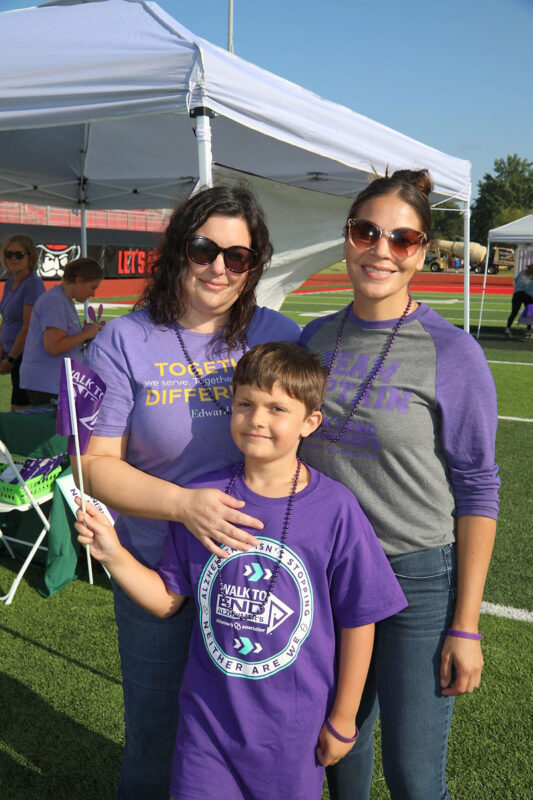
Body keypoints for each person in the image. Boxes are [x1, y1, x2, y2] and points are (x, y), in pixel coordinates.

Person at [75, 341, 407, 800]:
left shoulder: (335, 510)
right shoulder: (203, 500)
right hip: (206, 728)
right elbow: (167, 599)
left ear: (310, 422)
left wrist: (345, 717)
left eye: (277, 408)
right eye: (245, 403)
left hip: (293, 735)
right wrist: (111, 552)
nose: (257, 419)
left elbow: (360, 618)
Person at [76, 185, 302, 800]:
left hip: (254, 578)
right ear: (178, 250)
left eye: (239, 256)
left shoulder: (281, 333)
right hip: (156, 569)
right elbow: (94, 465)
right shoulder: (123, 340)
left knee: (251, 738)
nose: (219, 268)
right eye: (205, 249)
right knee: (154, 741)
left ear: (255, 266)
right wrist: (184, 505)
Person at [299, 169, 500, 800]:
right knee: (339, 760)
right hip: (329, 576)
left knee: (414, 775)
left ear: (421, 252)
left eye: (403, 240)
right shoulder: (316, 337)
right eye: (367, 231)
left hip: (416, 576)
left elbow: (477, 487)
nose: (381, 250)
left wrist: (465, 625)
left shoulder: (453, 351)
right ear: (346, 238)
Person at [20, 257, 104, 405]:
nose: (93, 294)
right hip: (47, 385)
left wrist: (86, 336)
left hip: (50, 383)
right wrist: (86, 334)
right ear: (79, 279)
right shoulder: (55, 301)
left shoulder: (62, 300)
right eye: (93, 287)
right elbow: (53, 347)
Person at [0, 234, 45, 408]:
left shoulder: (33, 284)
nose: (13, 258)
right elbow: (7, 318)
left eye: (19, 254)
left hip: (26, 358)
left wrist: (10, 359)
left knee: (20, 411)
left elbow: (28, 327)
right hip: (14, 356)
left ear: (30, 256)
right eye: (8, 254)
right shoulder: (10, 282)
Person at [505, 262, 533, 336]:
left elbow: (515, 281)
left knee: (514, 312)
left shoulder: (522, 272)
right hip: (528, 295)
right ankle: (528, 329)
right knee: (529, 312)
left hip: (517, 293)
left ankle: (508, 328)